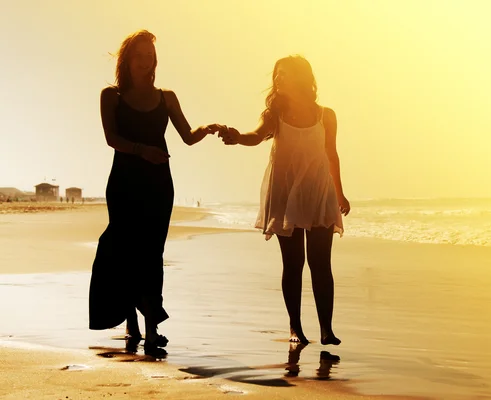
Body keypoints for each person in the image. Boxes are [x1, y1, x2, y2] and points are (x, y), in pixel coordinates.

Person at [88, 29, 225, 358]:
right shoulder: (112, 96)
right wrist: (141, 150)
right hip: (124, 182)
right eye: (140, 55)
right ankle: (131, 323)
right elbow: (112, 138)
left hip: (158, 184)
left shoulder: (167, 97)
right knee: (123, 249)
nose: (146, 61)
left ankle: (151, 328)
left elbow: (187, 136)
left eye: (150, 56)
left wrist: (206, 129)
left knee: (151, 253)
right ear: (127, 60)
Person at [219, 55, 350, 346]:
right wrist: (237, 137)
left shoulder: (325, 115)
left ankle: (326, 329)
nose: (279, 80)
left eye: (286, 74)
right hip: (285, 191)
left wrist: (340, 193)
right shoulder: (274, 115)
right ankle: (295, 328)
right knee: (293, 263)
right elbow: (255, 136)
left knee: (320, 263)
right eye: (277, 75)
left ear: (303, 78)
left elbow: (332, 154)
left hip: (318, 191)